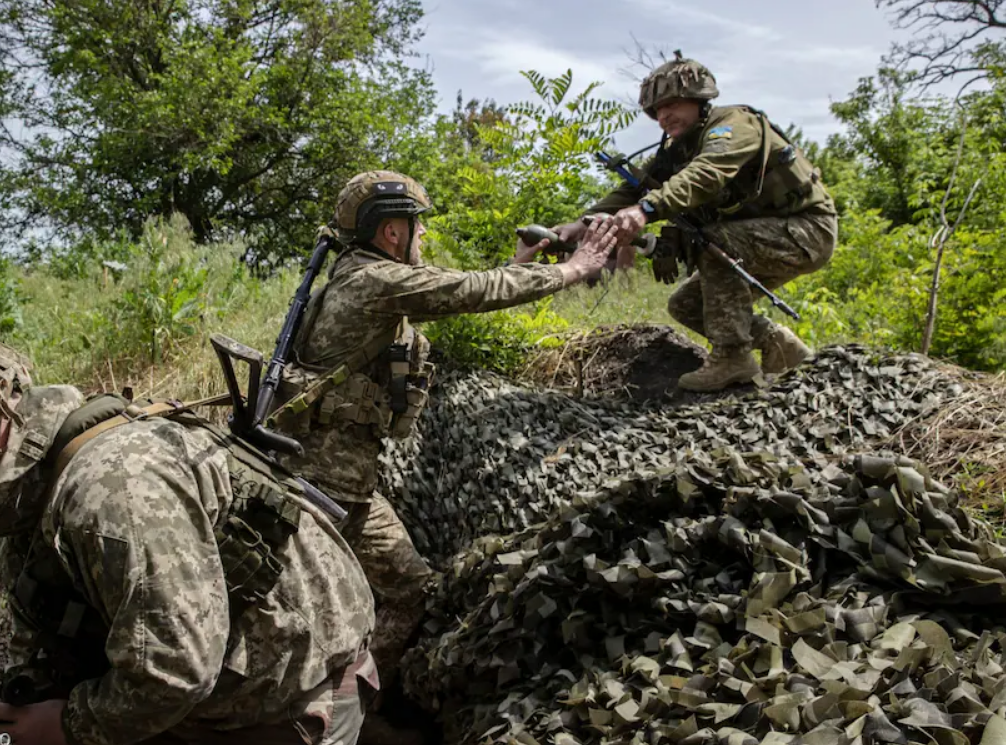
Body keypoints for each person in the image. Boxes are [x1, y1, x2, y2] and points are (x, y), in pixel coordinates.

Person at [0, 334, 378, 745]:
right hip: (206, 693)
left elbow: (175, 669)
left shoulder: (110, 492)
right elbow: (42, 621)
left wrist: (67, 727)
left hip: (289, 699)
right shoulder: (34, 491)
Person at [266, 170, 616, 681]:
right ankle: (303, 704)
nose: (423, 235)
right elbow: (468, 290)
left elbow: (457, 291)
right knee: (296, 612)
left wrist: (517, 268)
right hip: (321, 488)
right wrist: (573, 269)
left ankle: (357, 696)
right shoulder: (373, 280)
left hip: (348, 485)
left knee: (413, 590)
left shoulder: (358, 275)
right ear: (391, 232)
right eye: (418, 225)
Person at [551, 52, 838, 391]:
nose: (663, 117)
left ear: (699, 100)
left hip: (807, 231)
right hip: (766, 237)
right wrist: (579, 225)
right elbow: (630, 191)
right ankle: (775, 341)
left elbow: (704, 175)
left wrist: (646, 210)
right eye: (656, 111)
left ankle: (733, 357)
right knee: (687, 305)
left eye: (671, 104)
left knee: (719, 240)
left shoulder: (733, 125)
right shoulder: (677, 151)